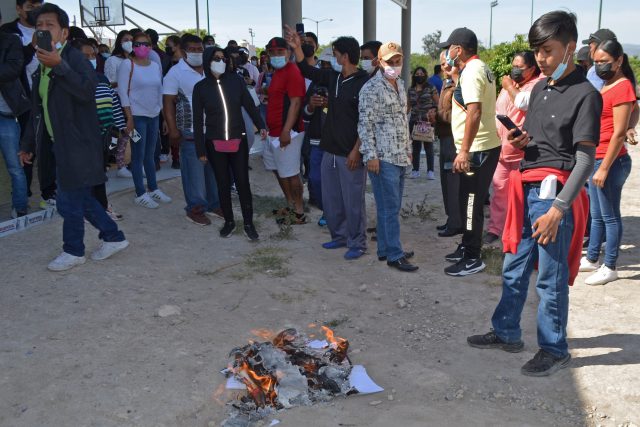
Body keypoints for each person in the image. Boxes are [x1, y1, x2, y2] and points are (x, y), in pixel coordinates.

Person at [467, 11, 602, 377]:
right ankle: (507, 331)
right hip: (525, 186)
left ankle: (554, 348)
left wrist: (560, 208)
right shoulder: (540, 88)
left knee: (550, 276)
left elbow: (585, 159)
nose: (540, 58)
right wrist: (522, 141)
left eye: (547, 50)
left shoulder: (586, 95)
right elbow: (540, 144)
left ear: (569, 48)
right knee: (513, 267)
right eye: (537, 51)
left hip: (553, 194)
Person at [19, 3, 129, 271]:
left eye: (50, 25)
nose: (43, 30)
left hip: (80, 144)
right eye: (39, 26)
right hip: (61, 144)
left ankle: (74, 250)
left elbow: (87, 91)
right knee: (79, 197)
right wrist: (28, 145)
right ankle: (113, 236)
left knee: (68, 200)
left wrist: (60, 66)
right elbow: (38, 111)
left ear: (64, 33)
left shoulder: (72, 58)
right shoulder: (41, 65)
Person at [285, 27, 371, 260]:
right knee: (332, 198)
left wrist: (356, 150)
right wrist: (296, 47)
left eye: (335, 54)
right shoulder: (332, 77)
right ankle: (340, 236)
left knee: (353, 201)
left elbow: (367, 121)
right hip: (328, 149)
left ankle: (358, 242)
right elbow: (306, 69)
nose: (332, 59)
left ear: (344, 56)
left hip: (351, 153)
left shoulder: (365, 82)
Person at [438, 28, 501, 276]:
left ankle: (474, 257)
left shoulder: (473, 71)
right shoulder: (475, 69)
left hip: (477, 150)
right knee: (467, 202)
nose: (447, 53)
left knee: (471, 205)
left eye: (449, 48)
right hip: (478, 147)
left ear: (459, 50)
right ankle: (467, 246)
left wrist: (463, 151)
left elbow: (474, 111)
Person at [193, 46, 267, 239]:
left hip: (237, 139)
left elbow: (249, 106)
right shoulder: (200, 88)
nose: (221, 62)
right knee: (222, 183)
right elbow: (198, 121)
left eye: (223, 59)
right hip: (214, 142)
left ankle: (249, 224)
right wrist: (200, 149)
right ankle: (229, 222)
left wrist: (262, 125)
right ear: (208, 61)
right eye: (216, 58)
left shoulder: (236, 81)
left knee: (242, 182)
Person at [579, 39, 636, 286]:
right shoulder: (608, 84)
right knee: (597, 215)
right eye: (597, 62)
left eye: (605, 62)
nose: (600, 66)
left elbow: (618, 132)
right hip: (597, 156)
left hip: (610, 161)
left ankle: (610, 265)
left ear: (619, 60)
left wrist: (603, 167)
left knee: (610, 216)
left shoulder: (622, 87)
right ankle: (592, 258)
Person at [359, 42, 417, 272]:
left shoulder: (400, 85)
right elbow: (365, 124)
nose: (394, 66)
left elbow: (403, 121)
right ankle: (394, 253)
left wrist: (409, 148)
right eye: (389, 62)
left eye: (397, 61)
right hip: (383, 157)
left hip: (401, 155)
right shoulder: (371, 89)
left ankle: (385, 248)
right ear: (379, 63)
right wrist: (371, 155)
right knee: (390, 208)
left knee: (389, 207)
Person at [485, 51, 543, 244]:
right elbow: (498, 110)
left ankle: (517, 232)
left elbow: (523, 103)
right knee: (499, 191)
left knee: (519, 196)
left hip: (522, 152)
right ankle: (495, 229)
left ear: (532, 69)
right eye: (514, 66)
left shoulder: (535, 86)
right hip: (501, 150)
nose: (515, 70)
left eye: (520, 67)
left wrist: (509, 86)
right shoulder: (507, 86)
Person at [163, 34, 222, 226]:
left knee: (214, 169)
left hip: (214, 129)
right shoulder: (175, 73)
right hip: (190, 130)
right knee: (194, 171)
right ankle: (195, 208)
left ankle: (214, 204)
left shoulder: (210, 69)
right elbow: (168, 103)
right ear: (182, 50)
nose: (197, 52)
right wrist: (173, 130)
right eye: (193, 49)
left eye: (200, 49)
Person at [74, 38, 127, 221]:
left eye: (92, 55)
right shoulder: (70, 81)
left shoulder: (102, 78)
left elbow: (113, 105)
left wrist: (121, 129)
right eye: (85, 56)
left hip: (103, 138)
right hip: (81, 138)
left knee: (99, 175)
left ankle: (102, 206)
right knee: (85, 177)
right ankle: (90, 209)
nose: (90, 59)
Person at [117, 31, 172, 208]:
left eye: (146, 44)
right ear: (133, 46)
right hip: (136, 118)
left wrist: (163, 117)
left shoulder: (155, 66)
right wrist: (129, 118)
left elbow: (159, 91)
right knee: (138, 155)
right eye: (138, 44)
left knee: (151, 154)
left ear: (151, 46)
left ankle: (153, 188)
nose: (142, 47)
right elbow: (122, 92)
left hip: (153, 116)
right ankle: (140, 192)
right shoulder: (127, 65)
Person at [262, 36, 306, 224]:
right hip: (273, 132)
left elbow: (296, 103)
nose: (276, 55)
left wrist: (286, 130)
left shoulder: (292, 71)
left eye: (281, 51)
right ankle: (289, 205)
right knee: (277, 170)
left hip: (288, 132)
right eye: (273, 52)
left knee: (290, 172)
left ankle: (298, 211)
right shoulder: (278, 72)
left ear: (288, 52)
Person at [0, 8, 31, 219]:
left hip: (6, 114)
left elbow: (12, 70)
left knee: (15, 164)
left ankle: (20, 207)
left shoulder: (10, 41)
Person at [302, 47, 332, 225]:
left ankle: (331, 213)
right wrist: (311, 106)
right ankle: (326, 209)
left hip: (338, 142)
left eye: (329, 63)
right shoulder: (315, 83)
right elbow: (305, 114)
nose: (326, 67)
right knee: (315, 178)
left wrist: (333, 105)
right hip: (316, 140)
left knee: (335, 180)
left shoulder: (344, 83)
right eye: (324, 63)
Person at [435, 50, 463, 238]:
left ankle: (456, 222)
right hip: (445, 138)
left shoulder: (461, 83)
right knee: (446, 182)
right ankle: (451, 218)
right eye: (442, 63)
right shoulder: (447, 83)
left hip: (454, 141)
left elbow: (461, 115)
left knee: (453, 183)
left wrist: (438, 115)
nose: (445, 66)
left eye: (448, 62)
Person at [104, 29, 134, 178]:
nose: (129, 42)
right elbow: (108, 83)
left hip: (135, 102)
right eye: (125, 40)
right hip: (119, 102)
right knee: (121, 133)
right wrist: (125, 83)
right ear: (119, 42)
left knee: (135, 134)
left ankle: (134, 163)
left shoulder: (137, 59)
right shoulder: (112, 60)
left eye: (131, 39)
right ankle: (120, 165)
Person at [407, 66, 439, 180]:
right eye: (417, 74)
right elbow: (408, 106)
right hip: (414, 121)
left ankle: (430, 170)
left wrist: (433, 111)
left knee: (428, 146)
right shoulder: (410, 90)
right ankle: (415, 170)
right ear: (414, 76)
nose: (419, 76)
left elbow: (438, 103)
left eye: (421, 74)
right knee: (415, 147)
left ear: (425, 75)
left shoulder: (431, 88)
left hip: (427, 121)